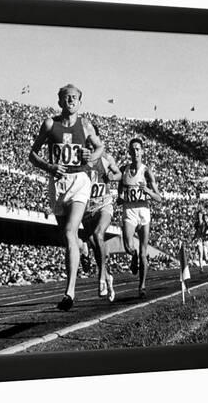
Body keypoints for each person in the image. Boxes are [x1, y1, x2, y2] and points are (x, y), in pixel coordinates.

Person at [29, 84, 104, 311]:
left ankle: (69, 292)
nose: (70, 100)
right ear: (60, 102)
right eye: (66, 97)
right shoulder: (51, 124)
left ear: (80, 102)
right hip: (57, 184)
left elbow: (100, 147)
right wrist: (49, 166)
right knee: (66, 236)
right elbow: (32, 154)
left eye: (74, 97)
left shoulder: (86, 125)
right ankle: (82, 247)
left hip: (79, 181)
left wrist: (90, 157)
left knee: (70, 231)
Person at [117, 138, 162, 298]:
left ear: (142, 152)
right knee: (128, 245)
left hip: (143, 211)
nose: (135, 152)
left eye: (138, 149)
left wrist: (148, 191)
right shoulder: (124, 170)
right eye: (133, 149)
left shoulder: (147, 171)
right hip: (129, 210)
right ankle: (132, 255)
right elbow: (119, 193)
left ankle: (142, 286)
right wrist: (120, 197)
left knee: (144, 252)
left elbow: (159, 198)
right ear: (129, 152)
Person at [81, 124, 121, 302]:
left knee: (99, 234)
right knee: (94, 245)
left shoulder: (105, 157)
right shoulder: (80, 157)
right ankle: (107, 275)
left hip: (104, 204)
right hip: (87, 208)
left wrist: (113, 176)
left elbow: (119, 173)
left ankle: (101, 279)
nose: (89, 142)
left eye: (92, 138)